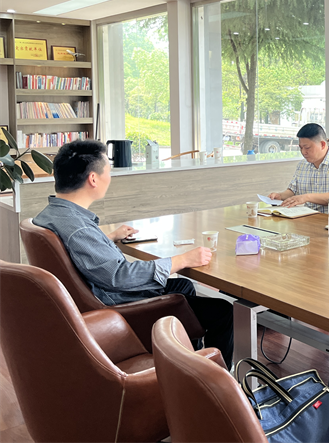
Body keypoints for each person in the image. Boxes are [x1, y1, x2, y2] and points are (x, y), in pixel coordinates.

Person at [33, 140, 234, 367]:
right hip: (118, 309)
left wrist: (107, 238)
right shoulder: (78, 229)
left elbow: (77, 252)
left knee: (183, 286)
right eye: (108, 170)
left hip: (98, 298)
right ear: (93, 179)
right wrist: (182, 260)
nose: (110, 176)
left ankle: (187, 362)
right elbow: (119, 276)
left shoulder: (52, 215)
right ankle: (214, 382)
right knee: (223, 312)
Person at [268, 123, 329, 214]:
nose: (303, 152)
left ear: (322, 144)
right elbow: (293, 191)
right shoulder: (302, 165)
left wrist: (306, 197)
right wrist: (280, 196)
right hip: (309, 218)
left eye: (307, 147)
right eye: (301, 148)